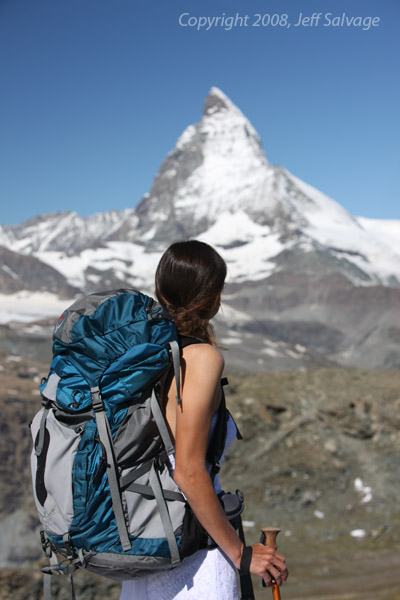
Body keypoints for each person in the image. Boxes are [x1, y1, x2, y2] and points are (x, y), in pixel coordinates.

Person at [120, 240, 288, 600]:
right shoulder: (200, 359)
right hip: (194, 558)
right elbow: (189, 471)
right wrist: (242, 555)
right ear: (211, 294)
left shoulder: (142, 355)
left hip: (147, 548)